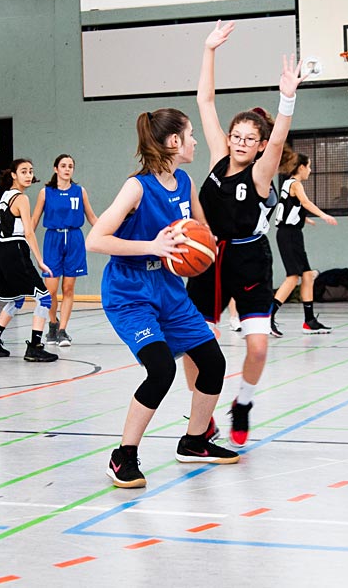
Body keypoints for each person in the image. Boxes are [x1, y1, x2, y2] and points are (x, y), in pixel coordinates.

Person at [85, 108, 238, 489]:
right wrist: (152, 245)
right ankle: (123, 456)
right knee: (161, 369)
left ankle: (195, 441)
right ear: (173, 142)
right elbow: (96, 240)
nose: (194, 141)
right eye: (190, 134)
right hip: (129, 291)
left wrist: (203, 244)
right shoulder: (136, 188)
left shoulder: (184, 182)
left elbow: (201, 229)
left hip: (168, 288)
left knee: (213, 362)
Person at [185, 20, 306, 448]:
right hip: (207, 257)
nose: (239, 142)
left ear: (258, 145)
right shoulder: (218, 156)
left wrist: (287, 98)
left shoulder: (259, 173)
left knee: (256, 347)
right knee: (194, 345)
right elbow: (205, 100)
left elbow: (279, 140)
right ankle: (203, 415)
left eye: (249, 139)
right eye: (235, 136)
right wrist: (209, 50)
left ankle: (243, 403)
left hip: (250, 259)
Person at [0, 159, 59, 363]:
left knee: (16, 299)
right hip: (15, 250)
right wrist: (40, 260)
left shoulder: (5, 196)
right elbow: (29, 232)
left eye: (31, 171)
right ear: (13, 175)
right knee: (44, 298)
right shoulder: (22, 198)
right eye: (23, 171)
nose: (29, 175)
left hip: (2, 251)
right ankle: (35, 347)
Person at [31, 154, 97, 347]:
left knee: (68, 288)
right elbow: (33, 221)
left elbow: (92, 217)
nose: (67, 169)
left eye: (70, 166)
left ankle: (62, 330)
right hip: (53, 240)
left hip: (74, 239)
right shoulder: (45, 192)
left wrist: (112, 231)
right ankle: (53, 323)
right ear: (56, 169)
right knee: (50, 290)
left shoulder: (79, 191)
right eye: (63, 166)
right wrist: (22, 238)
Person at [269, 153, 338, 336]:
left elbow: (289, 207)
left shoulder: (286, 183)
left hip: (291, 234)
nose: (310, 170)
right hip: (289, 235)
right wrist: (323, 215)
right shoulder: (296, 184)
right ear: (301, 167)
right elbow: (305, 202)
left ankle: (309, 321)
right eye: (309, 166)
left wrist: (304, 219)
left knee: (307, 275)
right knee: (293, 277)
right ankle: (268, 316)